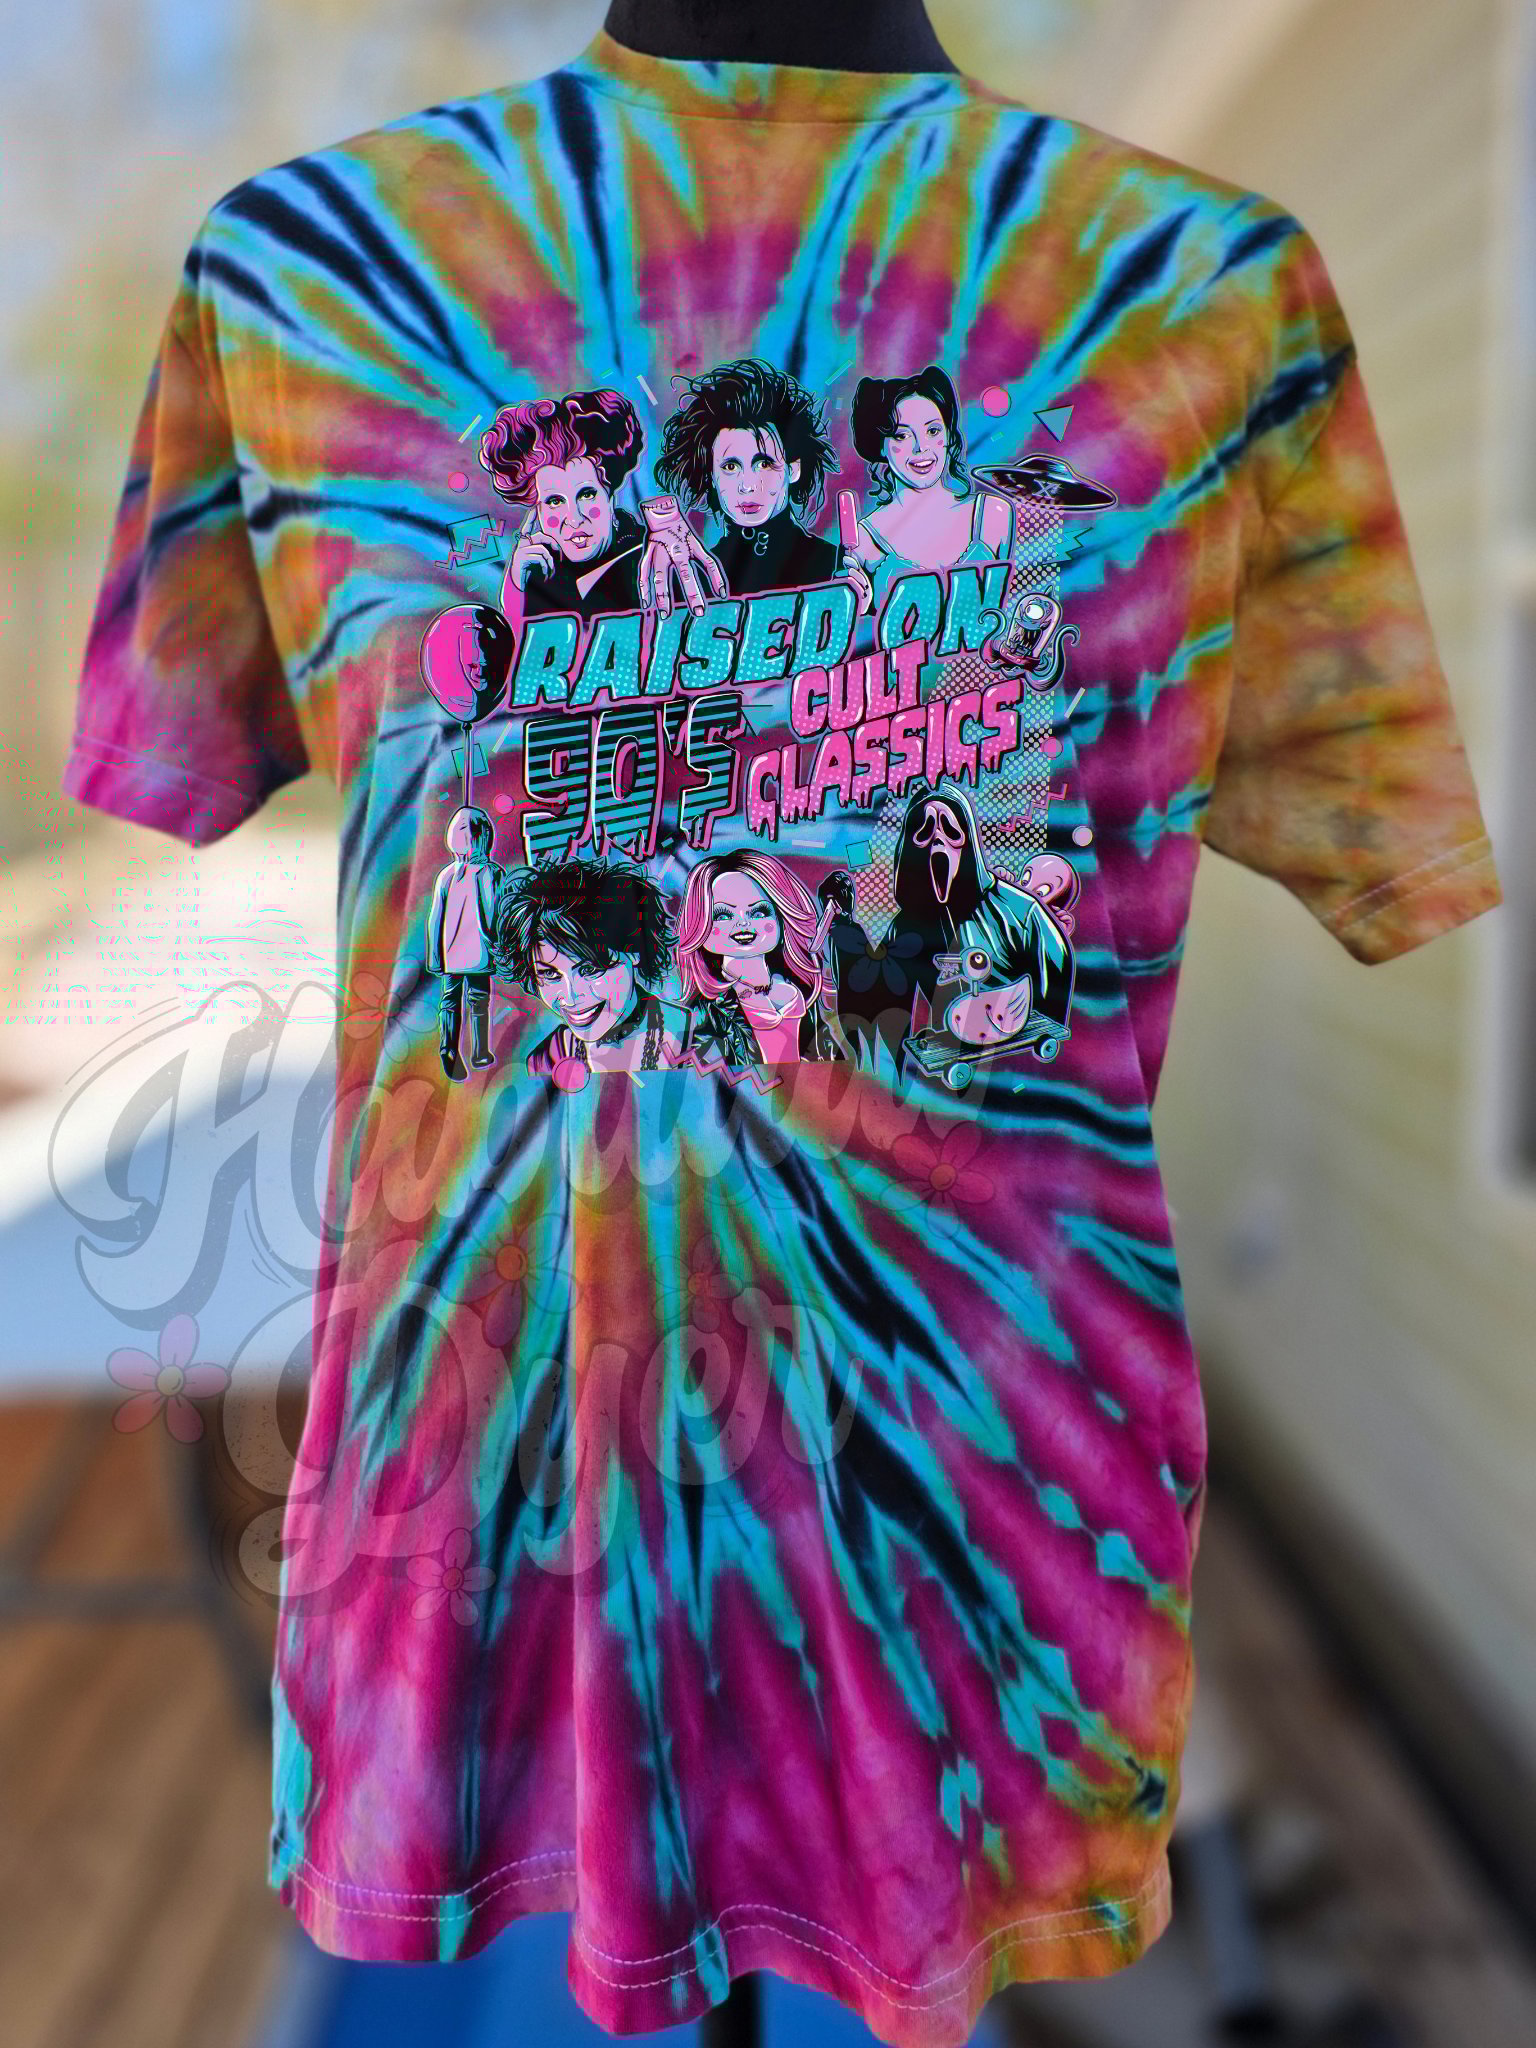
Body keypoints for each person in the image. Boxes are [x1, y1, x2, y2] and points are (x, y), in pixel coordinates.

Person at [654, 357, 869, 601]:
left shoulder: (833, 569)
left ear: (793, 469)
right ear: (711, 476)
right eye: (731, 466)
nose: (748, 485)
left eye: (764, 464)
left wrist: (857, 610)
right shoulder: (695, 582)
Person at [491, 856, 688, 1081]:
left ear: (634, 950)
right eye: (550, 974)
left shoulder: (693, 1038)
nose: (571, 996)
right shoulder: (546, 1060)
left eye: (589, 970)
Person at [849, 365, 1013, 612]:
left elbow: (1020, 605)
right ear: (881, 445)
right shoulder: (862, 539)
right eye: (902, 436)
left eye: (932, 431)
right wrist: (859, 609)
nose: (921, 448)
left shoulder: (993, 514)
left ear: (947, 435)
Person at [479, 388, 648, 620]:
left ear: (609, 497)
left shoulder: (648, 557)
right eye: (555, 501)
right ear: (537, 511)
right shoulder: (541, 575)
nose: (574, 518)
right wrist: (516, 586)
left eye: (586, 495)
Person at [673, 848, 844, 1066]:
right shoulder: (706, 1011)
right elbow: (702, 1076)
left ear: (781, 917)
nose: (743, 923)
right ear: (700, 922)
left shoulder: (798, 991)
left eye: (759, 912)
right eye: (723, 915)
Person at [423, 805, 503, 1078]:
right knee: (479, 999)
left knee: (449, 1000)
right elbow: (492, 913)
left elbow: (435, 919)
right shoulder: (489, 872)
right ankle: (480, 1052)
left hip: (449, 954)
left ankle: (448, 1047)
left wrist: (435, 958)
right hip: (479, 953)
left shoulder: (446, 875)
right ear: (484, 836)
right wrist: (499, 946)